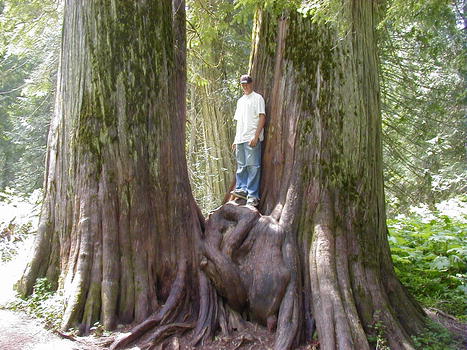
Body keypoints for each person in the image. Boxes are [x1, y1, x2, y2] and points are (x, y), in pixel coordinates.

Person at [230, 74, 266, 207]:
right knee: (241, 165)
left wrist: (256, 136)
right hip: (241, 138)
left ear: (251, 84)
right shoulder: (240, 101)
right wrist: (235, 139)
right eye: (243, 84)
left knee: (253, 166)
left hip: (251, 137)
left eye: (247, 83)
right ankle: (242, 189)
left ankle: (252, 195)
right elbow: (239, 121)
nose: (245, 86)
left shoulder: (258, 98)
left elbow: (262, 117)